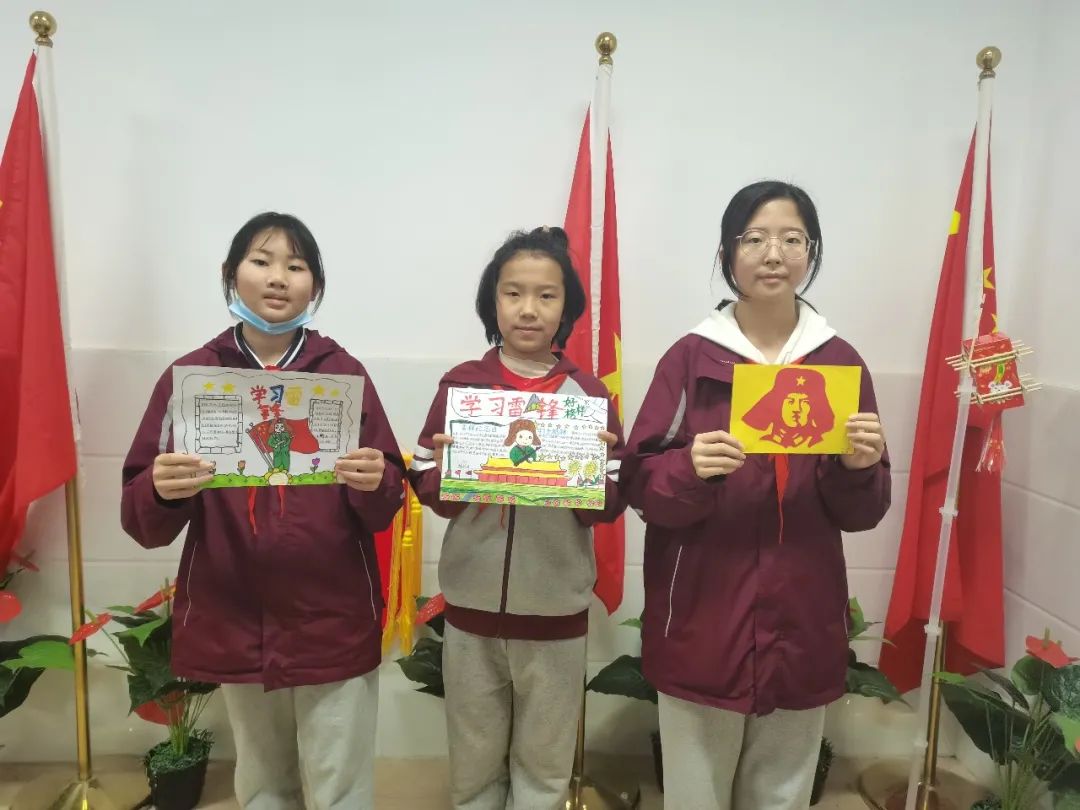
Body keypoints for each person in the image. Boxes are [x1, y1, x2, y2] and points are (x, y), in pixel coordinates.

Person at [120, 212, 404, 810]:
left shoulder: (342, 375)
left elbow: (386, 499)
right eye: (261, 261)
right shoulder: (193, 379)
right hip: (236, 610)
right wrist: (160, 489)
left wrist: (376, 480)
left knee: (339, 779)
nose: (278, 277)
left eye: (296, 266)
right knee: (262, 778)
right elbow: (141, 517)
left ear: (315, 286)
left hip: (331, 614)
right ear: (231, 274)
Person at [622, 182, 891, 810]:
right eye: (755, 239)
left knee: (783, 791)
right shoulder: (690, 358)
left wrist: (858, 468)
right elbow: (639, 483)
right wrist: (689, 469)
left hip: (802, 616)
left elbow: (864, 511)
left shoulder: (838, 361)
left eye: (792, 239)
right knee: (695, 793)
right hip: (703, 615)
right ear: (727, 253)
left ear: (811, 252)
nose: (774, 254)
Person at [408, 227, 625, 810]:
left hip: (556, 607)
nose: (529, 309)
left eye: (546, 295)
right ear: (492, 303)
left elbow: (611, 503)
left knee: (546, 757)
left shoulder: (588, 395)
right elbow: (427, 481)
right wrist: (446, 471)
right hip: (471, 605)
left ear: (567, 308)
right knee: (474, 750)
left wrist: (596, 473)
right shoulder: (463, 386)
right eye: (513, 293)